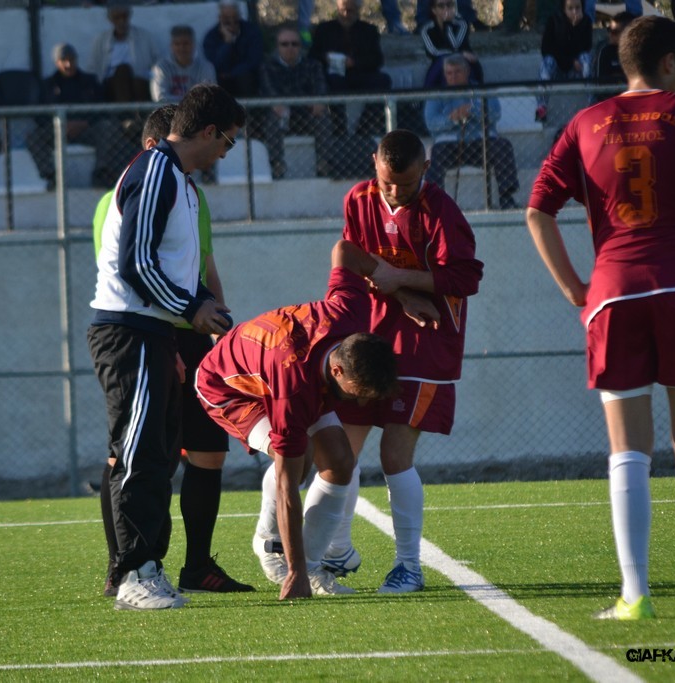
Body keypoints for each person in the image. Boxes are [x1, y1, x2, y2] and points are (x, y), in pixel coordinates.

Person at [525, 15, 675, 620]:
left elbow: (537, 210)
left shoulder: (585, 123)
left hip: (613, 293)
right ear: (669, 62)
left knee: (628, 451)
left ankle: (634, 598)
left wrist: (575, 288)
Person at [88, 83, 246, 611]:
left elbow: (171, 265)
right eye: (227, 141)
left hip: (153, 330)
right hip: (128, 330)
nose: (225, 153)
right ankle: (132, 573)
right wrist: (191, 308)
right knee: (135, 453)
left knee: (156, 455)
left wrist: (203, 310)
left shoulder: (178, 181)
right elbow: (136, 262)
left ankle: (149, 568)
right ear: (208, 131)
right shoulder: (156, 170)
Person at [317, 129, 482, 593]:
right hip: (368, 341)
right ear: (374, 161)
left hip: (425, 345)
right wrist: (402, 291)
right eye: (386, 181)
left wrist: (401, 282)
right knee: (340, 451)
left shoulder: (441, 211)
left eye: (405, 184)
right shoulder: (358, 198)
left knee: (393, 455)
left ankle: (409, 565)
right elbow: (357, 262)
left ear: (425, 169)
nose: (393, 191)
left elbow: (467, 277)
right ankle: (336, 550)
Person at [197, 239, 408, 600]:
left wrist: (400, 290)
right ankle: (272, 547)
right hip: (228, 388)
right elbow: (286, 485)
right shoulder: (293, 387)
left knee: (340, 462)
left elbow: (345, 251)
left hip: (287, 373)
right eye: (359, 391)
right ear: (338, 370)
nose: (360, 401)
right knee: (299, 459)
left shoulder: (350, 313)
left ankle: (311, 565)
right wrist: (293, 573)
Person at [424, 55, 520, 210]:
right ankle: (435, 203)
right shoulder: (437, 94)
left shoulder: (481, 91)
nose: (453, 77)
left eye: (457, 72)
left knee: (503, 146)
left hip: (481, 143)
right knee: (435, 153)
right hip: (449, 146)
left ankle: (507, 198)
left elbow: (495, 114)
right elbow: (431, 122)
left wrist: (473, 111)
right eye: (449, 73)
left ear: (467, 72)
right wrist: (452, 118)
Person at [27, 43, 121, 190]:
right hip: (58, 131)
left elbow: (102, 109)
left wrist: (85, 123)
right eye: (64, 60)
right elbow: (39, 115)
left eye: (71, 59)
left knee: (108, 127)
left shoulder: (90, 82)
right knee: (33, 137)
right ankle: (52, 177)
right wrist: (60, 124)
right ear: (57, 62)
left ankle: (101, 173)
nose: (68, 64)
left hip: (86, 130)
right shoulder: (47, 85)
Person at [258, 23, 335, 179]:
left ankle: (324, 164)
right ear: (277, 46)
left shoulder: (313, 65)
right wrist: (280, 104)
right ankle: (277, 165)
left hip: (307, 115)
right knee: (273, 119)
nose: (290, 48)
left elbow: (320, 89)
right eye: (285, 44)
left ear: (300, 46)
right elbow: (270, 92)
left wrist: (319, 102)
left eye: (294, 44)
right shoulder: (267, 67)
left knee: (324, 117)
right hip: (282, 115)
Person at [308, 0, 392, 135]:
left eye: (350, 10)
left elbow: (377, 59)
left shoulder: (369, 30)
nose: (346, 14)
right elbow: (313, 55)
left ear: (357, 11)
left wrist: (354, 63)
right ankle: (339, 128)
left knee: (383, 80)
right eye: (343, 10)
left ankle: (365, 128)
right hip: (334, 75)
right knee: (333, 81)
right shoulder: (324, 29)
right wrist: (326, 58)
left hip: (359, 73)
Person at [89, 2, 159, 104]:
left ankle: (126, 112)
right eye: (117, 17)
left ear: (129, 16)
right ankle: (128, 111)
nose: (121, 21)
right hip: (110, 85)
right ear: (110, 19)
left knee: (131, 77)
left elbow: (157, 62)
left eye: (124, 16)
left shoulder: (144, 37)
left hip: (139, 83)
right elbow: (93, 67)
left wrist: (149, 76)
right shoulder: (101, 40)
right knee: (122, 70)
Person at [535, 0, 592, 123]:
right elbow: (547, 49)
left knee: (586, 58)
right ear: (564, 9)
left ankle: (591, 104)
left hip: (576, 71)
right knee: (547, 62)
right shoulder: (554, 21)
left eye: (577, 8)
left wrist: (576, 27)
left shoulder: (586, 21)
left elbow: (586, 47)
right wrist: (570, 61)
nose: (574, 11)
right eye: (570, 8)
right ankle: (541, 107)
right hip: (558, 68)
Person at [201, 0, 264, 98]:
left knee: (245, 76)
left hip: (246, 77)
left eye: (234, 18)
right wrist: (227, 43)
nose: (231, 22)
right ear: (220, 18)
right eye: (226, 19)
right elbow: (215, 63)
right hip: (221, 79)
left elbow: (254, 59)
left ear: (239, 16)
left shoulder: (252, 32)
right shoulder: (211, 37)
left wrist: (232, 73)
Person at [420, 0, 484, 88]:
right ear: (434, 10)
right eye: (441, 6)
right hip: (440, 61)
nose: (446, 8)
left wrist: (447, 25)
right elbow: (433, 52)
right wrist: (460, 53)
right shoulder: (427, 29)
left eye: (449, 4)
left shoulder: (462, 24)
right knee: (443, 62)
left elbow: (456, 45)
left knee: (463, 64)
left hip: (463, 59)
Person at [151, 25, 217, 103]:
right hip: (170, 110)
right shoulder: (161, 68)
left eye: (186, 44)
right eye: (177, 44)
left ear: (193, 45)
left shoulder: (206, 67)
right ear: (171, 46)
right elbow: (160, 97)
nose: (182, 48)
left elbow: (208, 96)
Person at [592, 11, 635, 104]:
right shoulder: (605, 52)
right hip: (610, 103)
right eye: (609, 30)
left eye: (614, 32)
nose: (610, 34)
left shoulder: (638, 52)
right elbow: (600, 84)